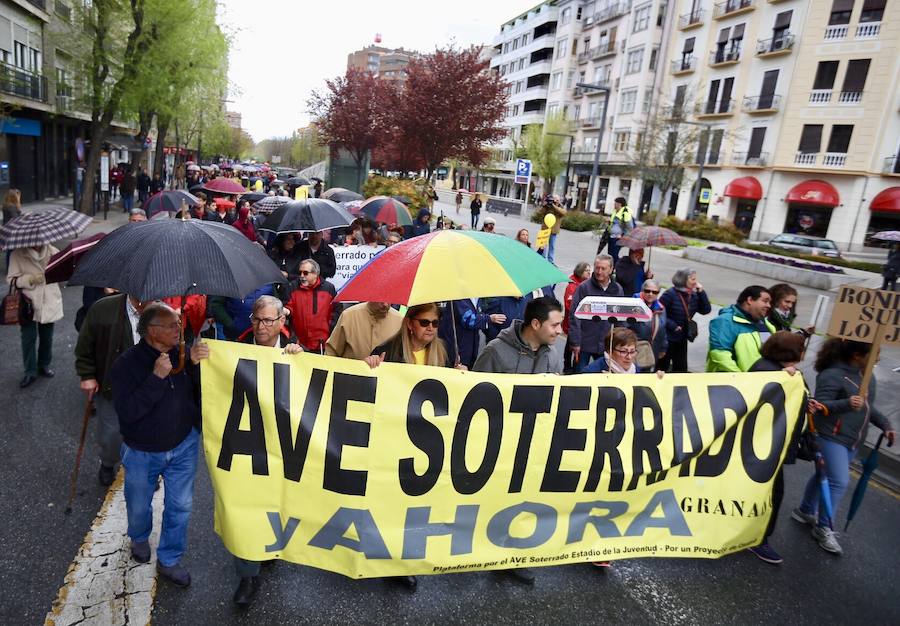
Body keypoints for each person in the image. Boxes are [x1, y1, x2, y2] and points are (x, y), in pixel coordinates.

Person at [111, 303, 209, 587]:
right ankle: (139, 537)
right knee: (139, 505)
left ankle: (169, 559)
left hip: (183, 445)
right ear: (152, 331)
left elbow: (197, 392)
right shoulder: (126, 365)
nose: (179, 329)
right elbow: (128, 412)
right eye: (172, 326)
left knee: (180, 506)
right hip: (142, 451)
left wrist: (194, 365)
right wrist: (156, 378)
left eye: (178, 324)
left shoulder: (181, 352)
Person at [472, 297, 563, 585]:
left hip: (534, 444)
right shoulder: (495, 351)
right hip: (498, 446)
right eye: (555, 324)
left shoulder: (554, 354)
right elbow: (474, 396)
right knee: (493, 502)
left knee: (522, 502)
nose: (560, 330)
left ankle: (510, 557)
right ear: (535, 324)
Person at [230, 296, 302, 608]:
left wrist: (301, 360)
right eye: (257, 320)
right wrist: (197, 358)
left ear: (282, 323)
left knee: (274, 502)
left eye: (269, 320)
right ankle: (248, 574)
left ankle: (270, 548)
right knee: (244, 505)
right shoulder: (233, 349)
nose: (261, 326)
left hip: (280, 447)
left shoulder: (295, 352)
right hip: (245, 445)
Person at [793, 338, 895, 555]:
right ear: (857, 355)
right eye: (873, 353)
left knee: (823, 475)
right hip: (830, 436)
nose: (878, 357)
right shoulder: (832, 375)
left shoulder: (868, 377)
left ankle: (805, 511)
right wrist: (847, 403)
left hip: (852, 439)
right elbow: (817, 407)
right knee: (838, 481)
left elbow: (867, 408)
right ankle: (824, 527)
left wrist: (885, 424)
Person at [747, 331, 808, 565]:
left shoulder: (777, 370)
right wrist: (783, 382)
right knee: (771, 493)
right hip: (764, 446)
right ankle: (758, 539)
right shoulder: (769, 372)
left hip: (768, 444)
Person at [75, 293, 148, 486]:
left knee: (146, 434)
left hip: (148, 389)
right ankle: (108, 463)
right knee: (112, 435)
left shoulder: (163, 313)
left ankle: (143, 469)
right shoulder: (102, 308)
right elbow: (84, 345)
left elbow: (177, 348)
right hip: (112, 386)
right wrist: (87, 375)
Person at [7, 244, 63, 388]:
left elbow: (63, 273)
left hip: (49, 299)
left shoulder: (53, 251)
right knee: (28, 338)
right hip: (28, 303)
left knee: (47, 336)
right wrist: (30, 279)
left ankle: (44, 365)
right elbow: (11, 280)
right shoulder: (17, 254)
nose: (38, 242)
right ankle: (30, 371)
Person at [567, 254, 623, 372]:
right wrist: (575, 342)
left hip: (606, 345)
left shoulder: (617, 290)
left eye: (603, 268)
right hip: (584, 343)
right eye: (597, 268)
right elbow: (574, 315)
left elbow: (620, 319)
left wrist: (619, 343)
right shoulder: (584, 288)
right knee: (579, 375)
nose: (599, 271)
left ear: (611, 269)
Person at [706, 285, 775, 373]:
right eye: (765, 301)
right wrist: (741, 378)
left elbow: (775, 353)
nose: (769, 305)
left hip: (761, 381)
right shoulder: (725, 321)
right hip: (733, 383)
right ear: (750, 300)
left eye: (769, 302)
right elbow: (720, 354)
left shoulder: (765, 324)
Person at [658, 268, 711, 373]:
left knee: (681, 368)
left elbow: (706, 310)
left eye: (695, 279)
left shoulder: (694, 295)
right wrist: (673, 326)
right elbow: (659, 313)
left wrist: (701, 292)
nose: (695, 282)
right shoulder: (670, 294)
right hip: (668, 337)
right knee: (662, 366)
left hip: (682, 337)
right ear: (683, 279)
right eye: (692, 279)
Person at [287, 259, 340, 353]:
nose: (301, 276)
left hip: (322, 344)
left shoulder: (329, 288)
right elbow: (289, 306)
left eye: (305, 273)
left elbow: (336, 312)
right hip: (299, 345)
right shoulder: (293, 287)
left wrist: (329, 332)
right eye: (300, 273)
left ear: (315, 274)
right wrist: (287, 310)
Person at [438, 299, 506, 369]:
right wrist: (489, 318)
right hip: (456, 350)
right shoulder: (459, 299)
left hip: (471, 349)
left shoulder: (478, 299)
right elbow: (468, 320)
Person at [325, 301, 402, 360]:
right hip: (349, 377)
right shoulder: (349, 316)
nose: (385, 304)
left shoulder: (399, 320)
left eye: (388, 299)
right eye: (381, 299)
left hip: (385, 378)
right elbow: (331, 351)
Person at [628, 279, 667, 369]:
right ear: (642, 290)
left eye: (654, 292)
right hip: (633, 349)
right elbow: (624, 327)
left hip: (652, 349)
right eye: (647, 291)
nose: (650, 294)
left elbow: (663, 329)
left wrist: (663, 348)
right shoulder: (632, 304)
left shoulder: (661, 308)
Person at [563, 261, 590, 373]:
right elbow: (569, 305)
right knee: (571, 344)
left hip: (581, 323)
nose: (589, 273)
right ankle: (568, 366)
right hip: (572, 323)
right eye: (586, 271)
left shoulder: (584, 284)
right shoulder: (572, 286)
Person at [606, 197, 635, 262]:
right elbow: (615, 223)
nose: (614, 205)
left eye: (615, 203)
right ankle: (612, 268)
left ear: (619, 204)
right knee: (610, 254)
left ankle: (618, 267)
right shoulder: (615, 211)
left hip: (618, 238)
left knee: (614, 254)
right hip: (612, 236)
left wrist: (623, 236)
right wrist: (609, 222)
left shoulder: (625, 213)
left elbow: (630, 227)